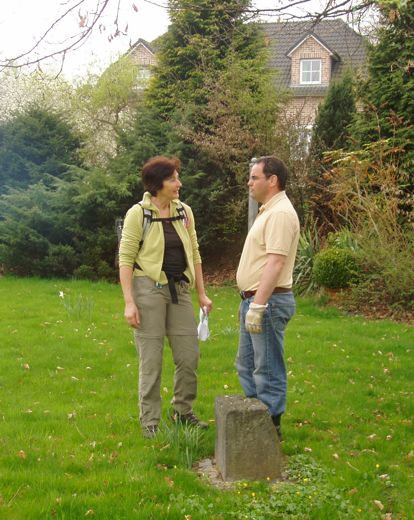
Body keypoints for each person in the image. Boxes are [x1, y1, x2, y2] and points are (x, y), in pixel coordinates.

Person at [119, 156, 212, 438]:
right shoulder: (139, 213)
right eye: (173, 179)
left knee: (188, 356)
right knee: (151, 360)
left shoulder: (184, 212)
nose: (179, 183)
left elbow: (194, 252)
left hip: (180, 291)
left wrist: (202, 293)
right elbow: (125, 258)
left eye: (177, 178)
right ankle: (150, 421)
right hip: (147, 291)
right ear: (157, 184)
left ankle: (183, 411)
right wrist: (129, 302)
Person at [235, 156, 300, 441]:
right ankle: (255, 416)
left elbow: (275, 262)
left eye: (254, 177)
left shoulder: (281, 214)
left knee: (267, 366)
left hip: (268, 302)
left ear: (272, 180)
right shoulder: (269, 211)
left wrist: (259, 305)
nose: (249, 183)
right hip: (255, 301)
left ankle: (270, 428)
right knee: (246, 363)